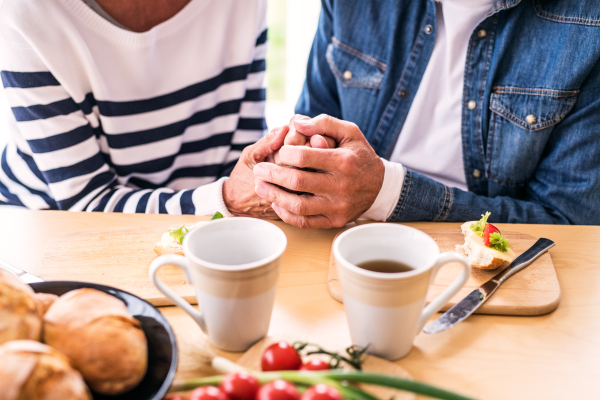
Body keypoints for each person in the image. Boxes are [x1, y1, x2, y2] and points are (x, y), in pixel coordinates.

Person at [252, 0, 600, 228]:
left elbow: (571, 223)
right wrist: (304, 159)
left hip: (493, 272)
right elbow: (312, 128)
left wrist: (388, 192)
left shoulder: (588, 23)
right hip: (348, 243)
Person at [0, 0, 284, 219]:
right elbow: (89, 206)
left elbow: (240, 157)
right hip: (46, 226)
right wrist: (228, 199)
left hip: (205, 222)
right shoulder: (28, 11)